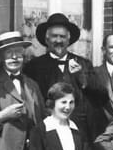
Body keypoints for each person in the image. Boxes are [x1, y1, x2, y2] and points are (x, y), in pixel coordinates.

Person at [24, 13, 101, 142]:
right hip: (48, 132)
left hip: (79, 132)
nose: (58, 40)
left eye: (62, 37)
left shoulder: (83, 64)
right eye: (54, 36)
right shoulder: (34, 66)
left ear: (69, 40)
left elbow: (99, 95)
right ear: (47, 40)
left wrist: (83, 78)